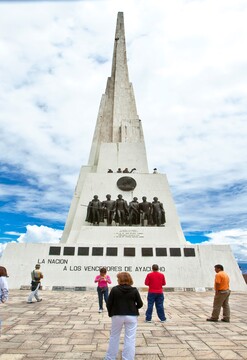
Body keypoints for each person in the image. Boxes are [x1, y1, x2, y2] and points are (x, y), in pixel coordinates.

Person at [105, 272, 143, 360]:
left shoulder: (114, 290)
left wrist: (111, 313)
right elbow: (140, 304)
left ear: (119, 280)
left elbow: (109, 303)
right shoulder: (134, 290)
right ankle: (128, 358)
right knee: (130, 338)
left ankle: (110, 357)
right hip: (131, 316)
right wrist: (134, 308)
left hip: (117, 315)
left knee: (114, 336)